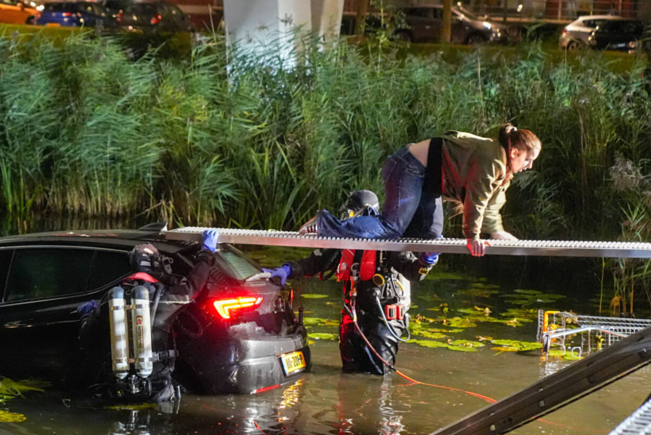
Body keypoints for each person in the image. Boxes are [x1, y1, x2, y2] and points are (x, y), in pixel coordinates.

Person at [257, 191, 436, 375]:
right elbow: (315, 262)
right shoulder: (344, 240)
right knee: (349, 374)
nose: (347, 220)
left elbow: (414, 272)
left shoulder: (389, 241)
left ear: (366, 214)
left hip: (383, 318)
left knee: (378, 376)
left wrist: (427, 260)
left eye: (351, 215)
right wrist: (287, 270)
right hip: (353, 315)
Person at [314, 125, 542, 257]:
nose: (529, 165)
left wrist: (496, 232)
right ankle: (324, 224)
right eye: (528, 159)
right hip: (408, 167)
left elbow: (491, 204)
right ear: (514, 152)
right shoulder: (492, 159)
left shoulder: (502, 167)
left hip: (427, 182)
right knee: (392, 227)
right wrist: (472, 237)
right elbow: (477, 199)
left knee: (429, 236)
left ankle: (376, 248)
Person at [77, 229, 219, 403]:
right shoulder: (165, 297)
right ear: (157, 265)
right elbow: (194, 285)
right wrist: (206, 253)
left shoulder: (112, 299)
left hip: (117, 389)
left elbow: (86, 338)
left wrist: (87, 314)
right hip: (158, 389)